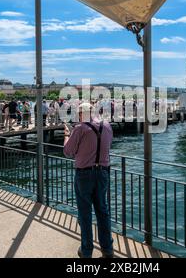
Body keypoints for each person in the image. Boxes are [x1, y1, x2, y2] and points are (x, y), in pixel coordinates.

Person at [63, 103, 114, 258]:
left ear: (81, 113)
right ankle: (107, 249)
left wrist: (66, 135)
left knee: (85, 214)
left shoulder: (80, 128)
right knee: (102, 211)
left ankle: (86, 251)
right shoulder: (107, 126)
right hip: (103, 173)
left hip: (84, 174)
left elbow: (68, 151)